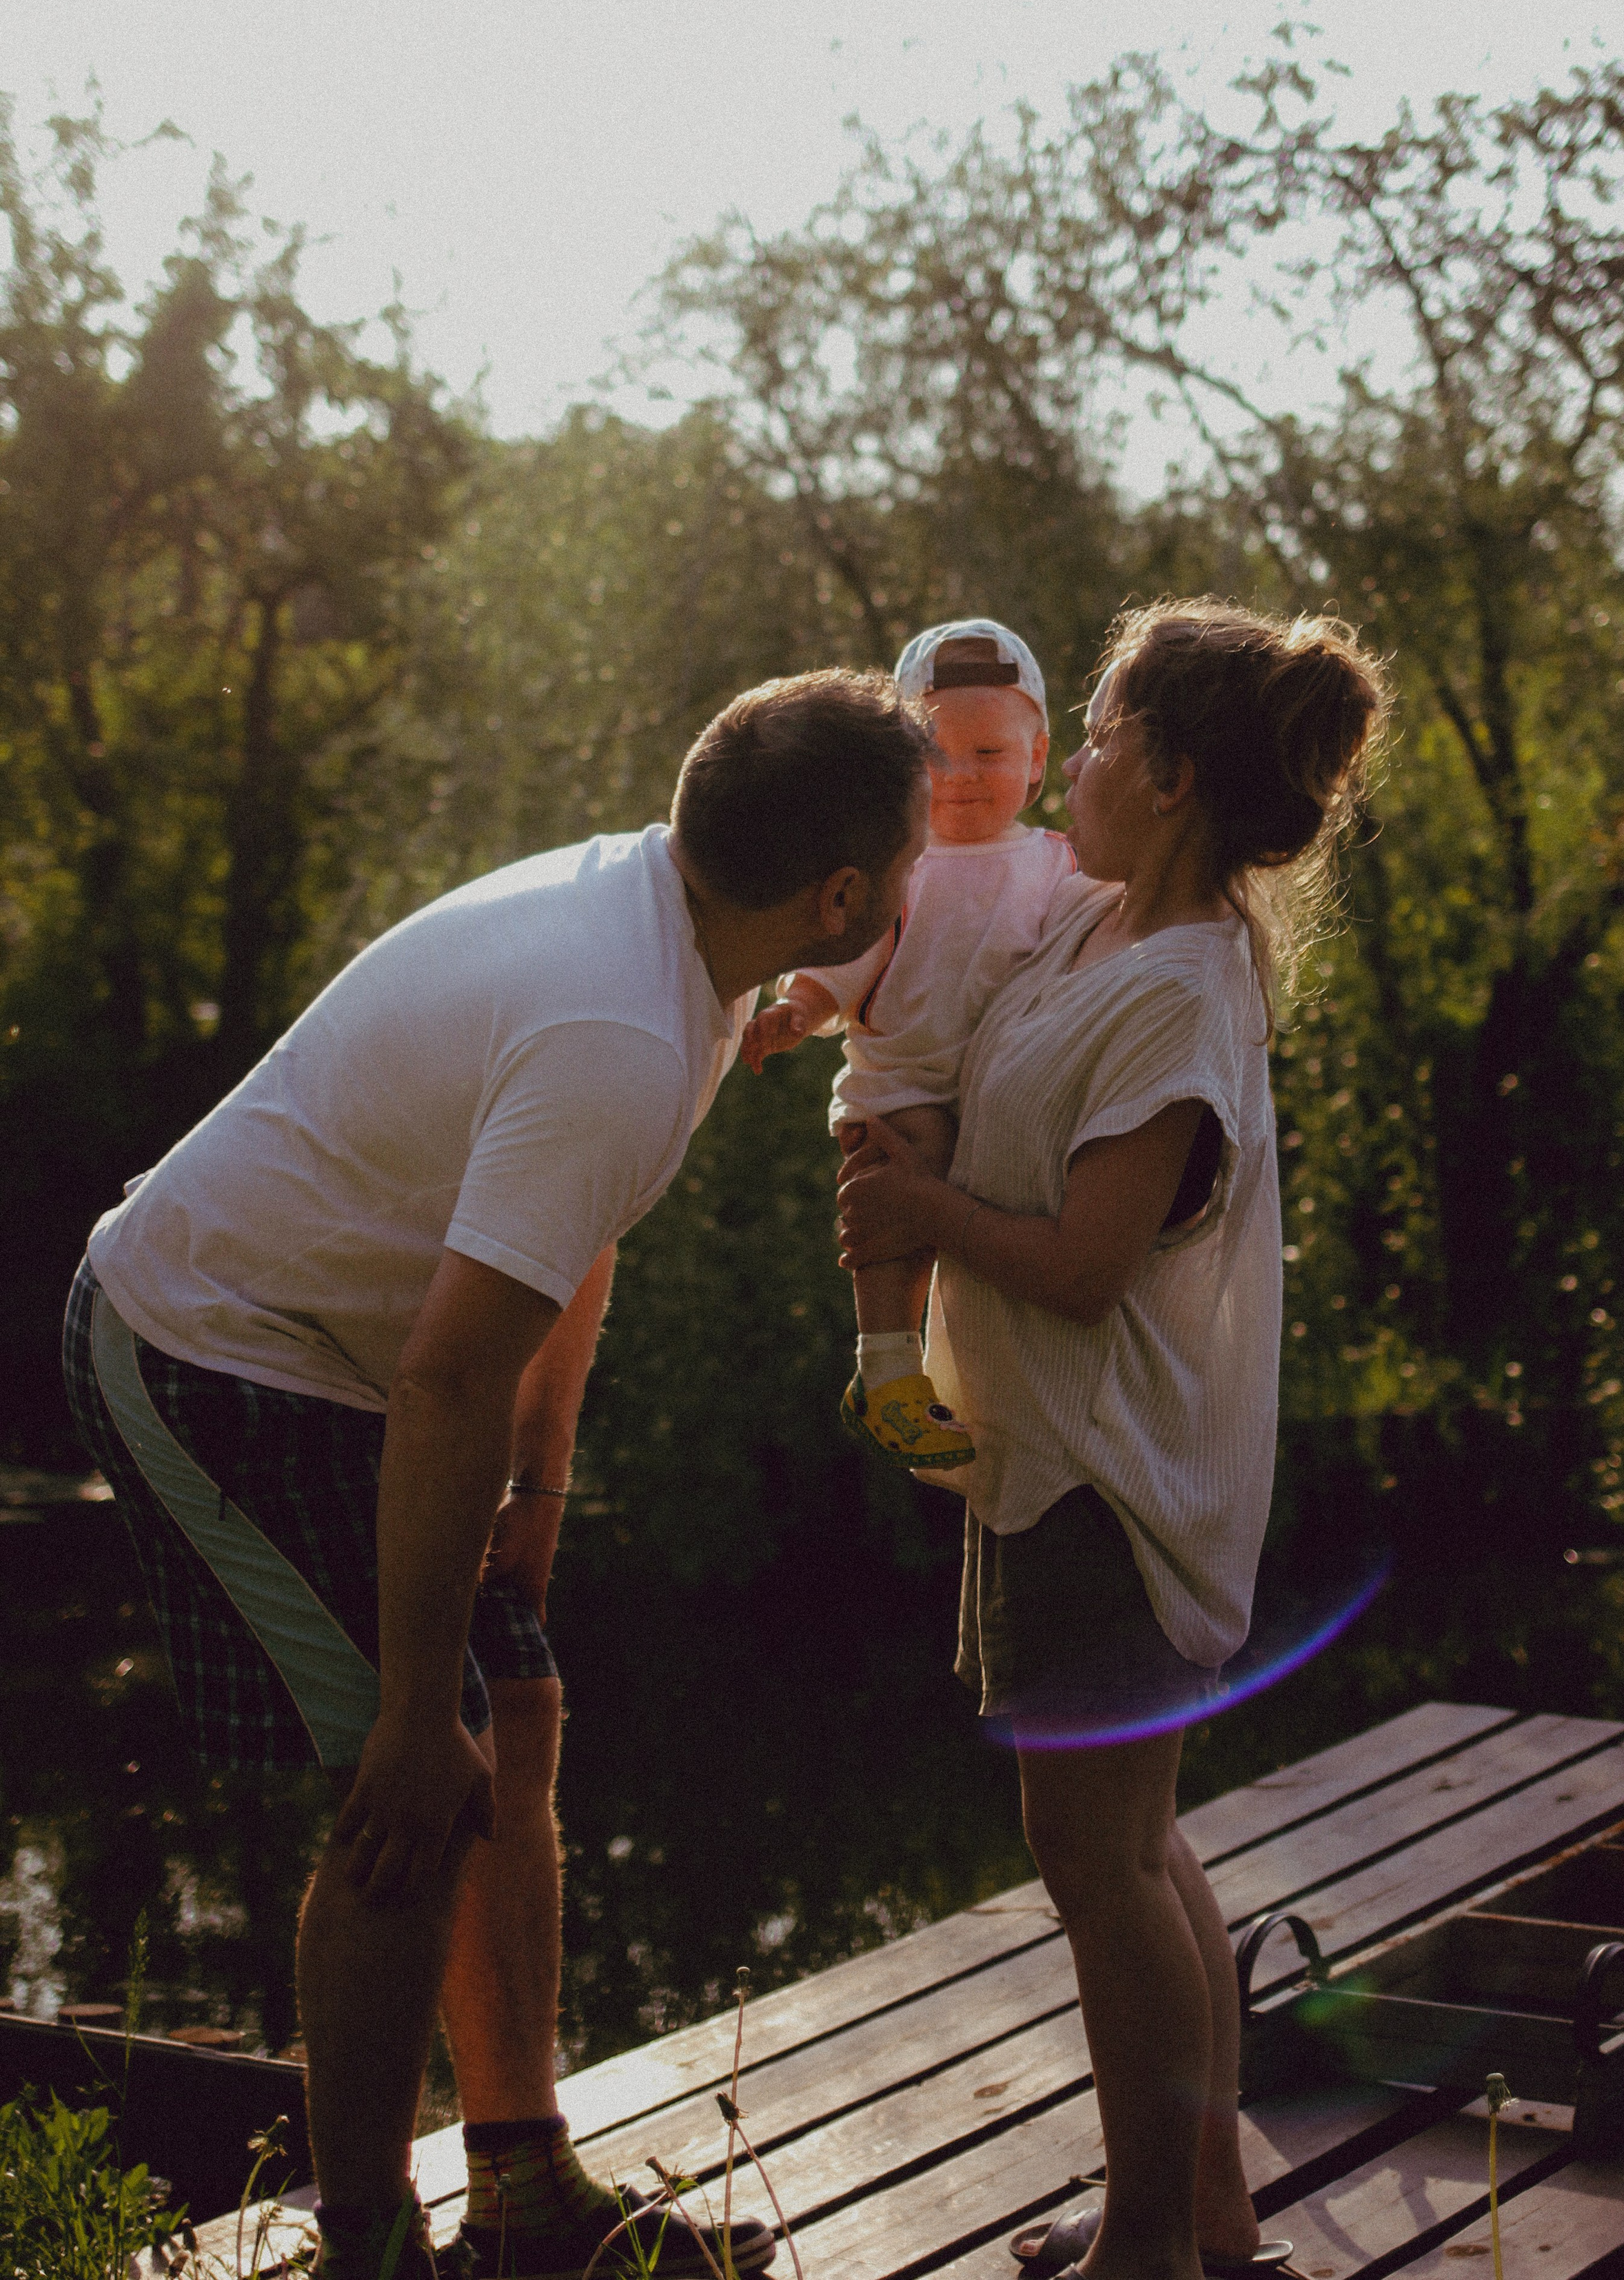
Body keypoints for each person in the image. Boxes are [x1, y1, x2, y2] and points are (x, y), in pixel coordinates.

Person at [61, 669, 934, 2280]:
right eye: (913, 855)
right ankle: (370, 2250)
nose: (924, 880)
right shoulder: (617, 1024)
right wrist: (408, 1706)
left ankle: (525, 2192)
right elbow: (449, 1370)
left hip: (352, 1352)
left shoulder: (685, 930)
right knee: (419, 1780)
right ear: (836, 893)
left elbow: (559, 1238)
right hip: (201, 1351)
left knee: (509, 1709)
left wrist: (535, 1502)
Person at [835, 600, 1389, 2280]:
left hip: (1105, 1479)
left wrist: (919, 1202)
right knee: (1134, 1847)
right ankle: (1201, 2221)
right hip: (1045, 1461)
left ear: (1160, 769)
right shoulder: (1086, 932)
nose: (1066, 760)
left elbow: (1084, 1264)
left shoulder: (1174, 993)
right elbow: (921, 975)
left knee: (1097, 1855)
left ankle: (1145, 2248)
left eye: (1090, 730)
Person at [742, 620, 1082, 1468]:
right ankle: (885, 1365)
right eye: (937, 754)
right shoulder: (904, 862)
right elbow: (856, 947)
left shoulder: (1057, 863)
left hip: (1006, 1088)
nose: (961, 776)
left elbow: (1100, 938)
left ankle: (943, 1369)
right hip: (906, 1085)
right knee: (906, 1185)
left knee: (977, 1226)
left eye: (989, 754)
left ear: (1038, 758)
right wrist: (801, 1005)